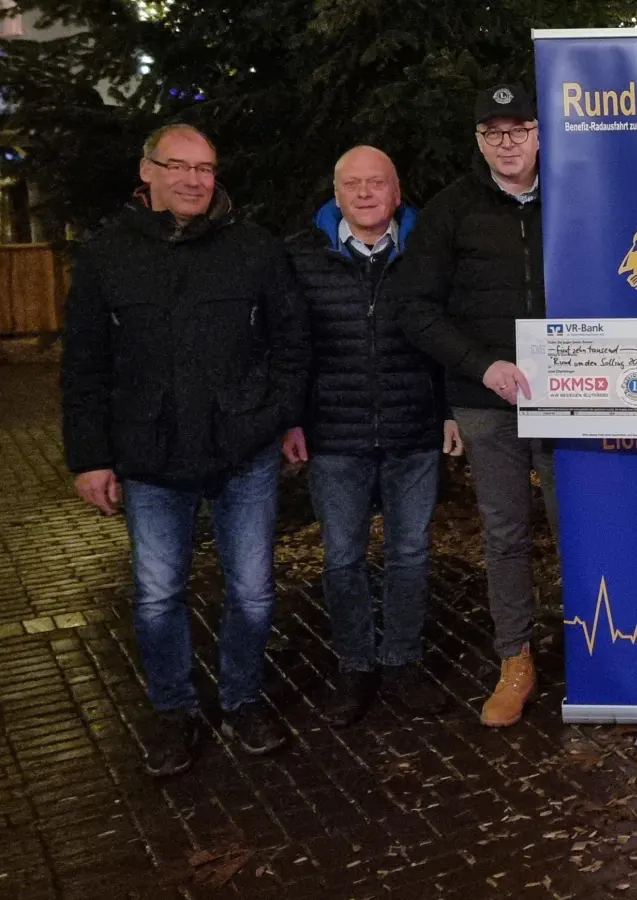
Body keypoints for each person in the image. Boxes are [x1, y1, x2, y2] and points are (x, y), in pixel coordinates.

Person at [60, 124, 309, 776]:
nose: (196, 180)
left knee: (253, 592)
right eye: (180, 166)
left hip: (242, 451)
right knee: (156, 595)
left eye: (206, 168)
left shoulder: (253, 249)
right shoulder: (106, 255)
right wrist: (89, 456)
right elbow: (84, 363)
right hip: (150, 456)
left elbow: (292, 345)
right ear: (148, 172)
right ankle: (174, 711)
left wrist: (273, 416)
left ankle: (243, 698)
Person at [283, 145, 461, 727]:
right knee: (342, 559)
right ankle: (355, 666)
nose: (364, 194)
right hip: (335, 435)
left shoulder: (426, 254)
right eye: (352, 184)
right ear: (334, 195)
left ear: (397, 191)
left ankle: (403, 661)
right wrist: (291, 417)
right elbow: (290, 351)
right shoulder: (301, 259)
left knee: (410, 555)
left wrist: (451, 410)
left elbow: (445, 338)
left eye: (376, 183)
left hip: (413, 429)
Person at [398, 84, 555, 728]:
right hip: (486, 400)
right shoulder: (450, 209)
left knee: (579, 525)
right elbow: (416, 309)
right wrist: (479, 365)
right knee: (506, 533)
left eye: (518, 129)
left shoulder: (576, 192)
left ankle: (599, 646)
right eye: (494, 133)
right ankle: (515, 658)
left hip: (571, 394)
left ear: (540, 133)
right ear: (479, 142)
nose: (508, 143)